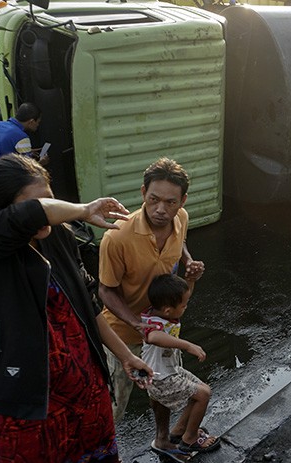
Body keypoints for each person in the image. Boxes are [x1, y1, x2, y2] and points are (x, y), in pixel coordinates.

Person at [0, 154, 153, 462]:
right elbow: (32, 215)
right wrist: (84, 210)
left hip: (85, 393)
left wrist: (125, 355)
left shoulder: (57, 236)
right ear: (1, 210)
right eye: (39, 205)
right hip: (26, 407)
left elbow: (89, 304)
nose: (48, 213)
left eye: (50, 199)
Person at [98, 157, 205, 428]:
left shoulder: (181, 218)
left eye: (171, 202)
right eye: (154, 199)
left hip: (165, 331)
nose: (161, 209)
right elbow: (106, 291)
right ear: (143, 193)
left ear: (182, 202)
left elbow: (180, 242)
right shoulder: (117, 237)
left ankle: (162, 438)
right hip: (122, 337)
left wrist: (188, 262)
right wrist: (137, 323)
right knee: (113, 406)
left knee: (164, 393)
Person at [142, 273, 221, 458]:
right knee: (203, 395)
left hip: (171, 370)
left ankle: (179, 431)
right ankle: (190, 439)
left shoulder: (161, 311)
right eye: (184, 306)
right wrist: (188, 345)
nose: (186, 307)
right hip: (160, 378)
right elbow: (153, 337)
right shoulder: (152, 324)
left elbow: (183, 296)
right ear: (169, 310)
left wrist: (190, 281)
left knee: (203, 390)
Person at [0, 102, 42, 190]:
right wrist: (42, 162)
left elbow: (1, 148)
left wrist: (29, 151)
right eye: (38, 122)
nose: (38, 125)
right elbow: (28, 168)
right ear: (31, 121)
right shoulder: (22, 136)